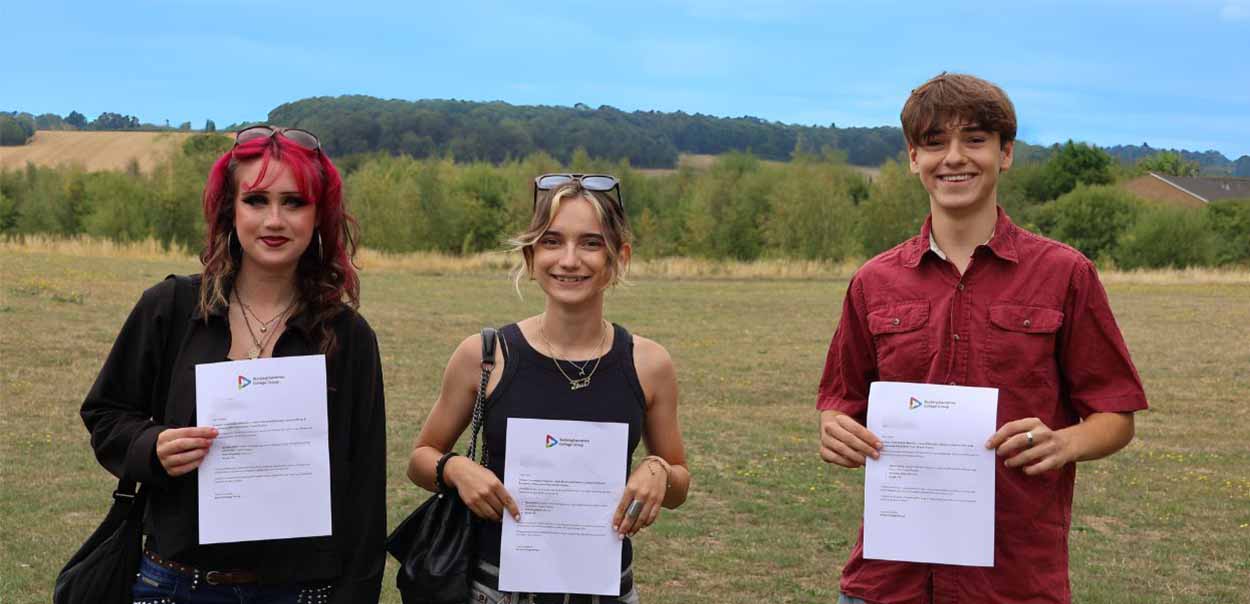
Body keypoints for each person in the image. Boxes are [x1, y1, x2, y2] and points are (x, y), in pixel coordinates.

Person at [815, 73, 1148, 604]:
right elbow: (840, 405)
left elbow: (1115, 416)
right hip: (887, 583)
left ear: (1006, 153)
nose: (954, 157)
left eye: (974, 139)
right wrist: (835, 430)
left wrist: (1064, 443)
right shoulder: (873, 282)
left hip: (1014, 583)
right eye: (934, 143)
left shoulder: (1065, 274)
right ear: (912, 158)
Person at [80, 126, 386, 603]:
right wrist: (150, 446)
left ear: (317, 215)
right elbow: (105, 414)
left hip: (303, 591)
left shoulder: (349, 337)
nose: (275, 220)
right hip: (175, 584)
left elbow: (365, 488)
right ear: (231, 209)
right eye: (257, 200)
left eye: (295, 202)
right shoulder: (170, 308)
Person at [406, 173, 690, 604]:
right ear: (530, 255)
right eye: (552, 241)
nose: (569, 260)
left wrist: (659, 470)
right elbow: (420, 459)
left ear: (619, 257)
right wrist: (455, 470)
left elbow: (679, 486)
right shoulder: (485, 355)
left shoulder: (649, 363)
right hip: (495, 588)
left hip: (608, 591)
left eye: (591, 243)